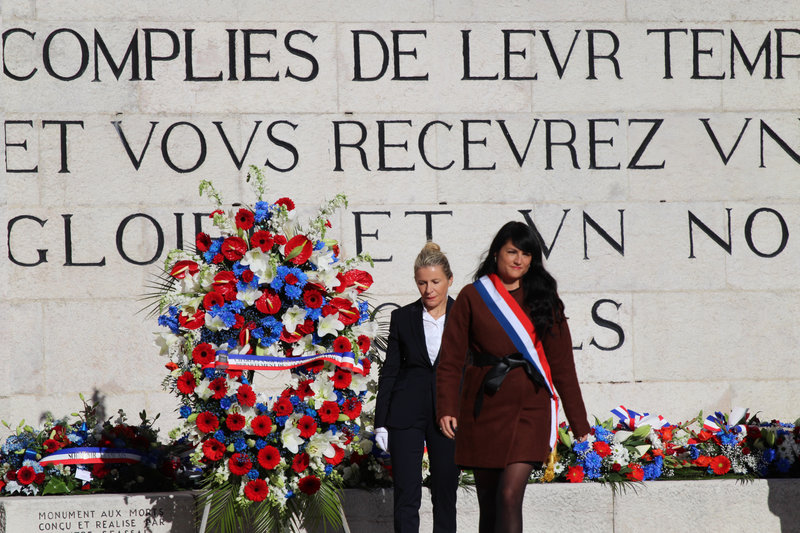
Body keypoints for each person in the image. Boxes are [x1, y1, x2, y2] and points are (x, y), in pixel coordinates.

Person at [436, 221, 590, 533]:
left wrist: (580, 425)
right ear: (496, 254)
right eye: (512, 251)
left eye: (527, 253)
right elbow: (450, 359)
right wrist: (446, 408)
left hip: (529, 409)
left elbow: (563, 368)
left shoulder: (544, 297)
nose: (519, 259)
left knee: (508, 496)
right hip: (484, 408)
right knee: (489, 503)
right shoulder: (472, 296)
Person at [375, 242, 460, 533]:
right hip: (405, 415)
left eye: (435, 281)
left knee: (445, 494)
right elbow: (390, 372)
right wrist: (380, 423)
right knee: (407, 496)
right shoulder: (403, 317)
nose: (428, 289)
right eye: (422, 283)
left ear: (450, 279)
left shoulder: (466, 316)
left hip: (449, 417)